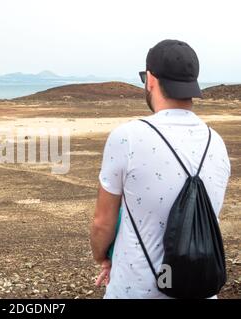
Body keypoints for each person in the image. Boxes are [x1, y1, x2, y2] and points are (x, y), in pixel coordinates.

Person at [90, 39, 231, 298]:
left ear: (151, 79)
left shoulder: (128, 137)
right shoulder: (217, 143)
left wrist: (103, 257)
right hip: (200, 289)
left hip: (135, 290)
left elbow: (102, 223)